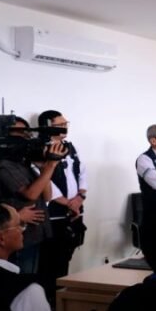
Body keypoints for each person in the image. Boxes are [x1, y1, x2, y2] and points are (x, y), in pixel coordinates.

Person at [0, 116, 61, 274]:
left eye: (26, 133)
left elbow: (47, 196)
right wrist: (50, 165)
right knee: (19, 280)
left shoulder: (24, 165)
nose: (26, 137)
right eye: (20, 133)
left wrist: (44, 168)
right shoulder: (5, 167)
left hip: (34, 235)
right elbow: (31, 194)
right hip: (16, 238)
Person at [36, 111, 87, 299]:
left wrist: (80, 197)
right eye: (60, 125)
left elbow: (82, 172)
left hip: (74, 210)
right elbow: (44, 180)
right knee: (51, 262)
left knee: (66, 257)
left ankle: (62, 300)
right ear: (47, 126)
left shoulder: (70, 147)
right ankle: (51, 301)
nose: (65, 127)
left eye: (66, 123)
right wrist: (67, 202)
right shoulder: (40, 148)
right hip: (54, 214)